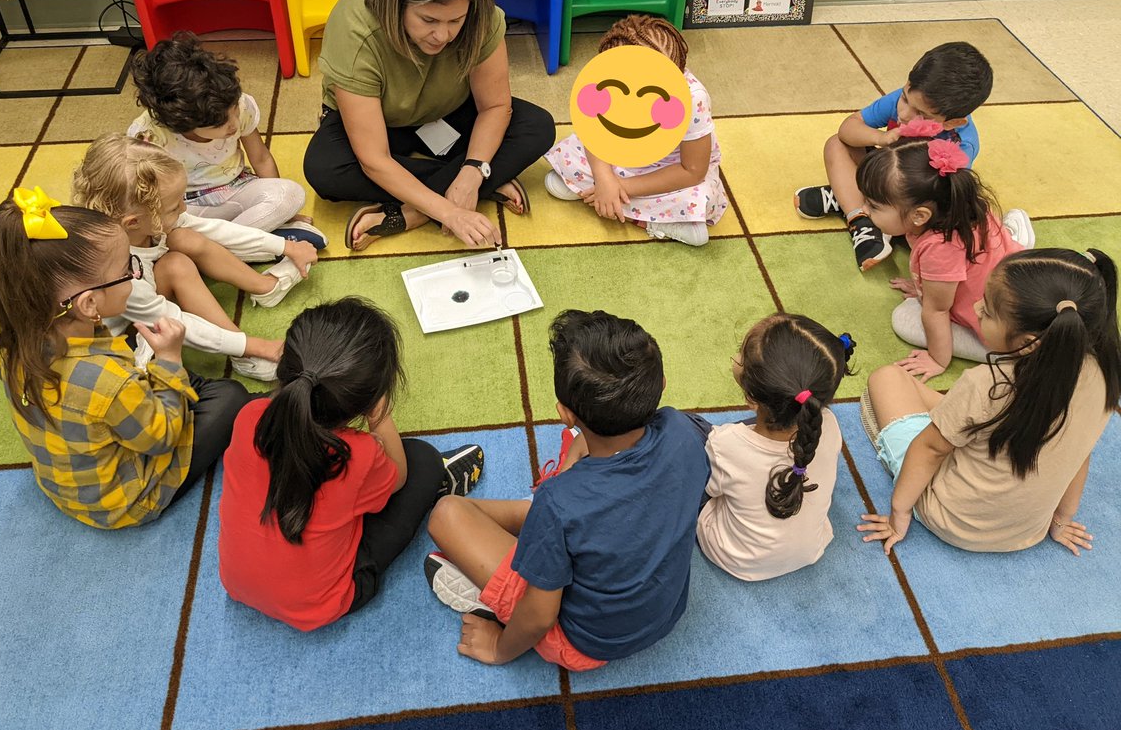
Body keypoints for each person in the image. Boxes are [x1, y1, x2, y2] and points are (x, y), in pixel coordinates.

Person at [424, 310, 710, 671]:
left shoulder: (559, 504)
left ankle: (492, 602)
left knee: (446, 513)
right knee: (566, 480)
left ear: (565, 413)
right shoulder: (685, 432)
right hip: (665, 613)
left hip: (582, 644)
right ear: (662, 384)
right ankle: (546, 536)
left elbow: (540, 616)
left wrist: (499, 648)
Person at [0, 188, 251, 528]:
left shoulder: (17, 340)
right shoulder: (110, 381)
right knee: (231, 397)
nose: (136, 275)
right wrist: (169, 359)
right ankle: (183, 389)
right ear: (89, 304)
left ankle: (175, 389)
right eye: (128, 269)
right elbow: (161, 439)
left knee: (139, 341)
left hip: (70, 483)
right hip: (126, 501)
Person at [217, 298, 485, 630]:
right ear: (368, 398)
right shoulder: (358, 455)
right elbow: (399, 476)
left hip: (237, 582)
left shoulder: (248, 417)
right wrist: (379, 416)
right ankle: (441, 485)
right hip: (322, 605)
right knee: (422, 461)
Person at [302, 0, 555, 251]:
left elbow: (495, 106)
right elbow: (374, 158)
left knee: (537, 127)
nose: (443, 36)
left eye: (455, 21)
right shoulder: (356, 25)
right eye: (429, 20)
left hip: (446, 114)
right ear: (398, 2)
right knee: (324, 170)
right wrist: (450, 211)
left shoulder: (482, 17)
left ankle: (412, 212)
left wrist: (472, 173)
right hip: (380, 121)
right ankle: (479, 185)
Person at [858, 248, 1120, 555]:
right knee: (957, 411)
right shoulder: (1104, 376)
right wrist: (1061, 519)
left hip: (950, 517)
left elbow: (929, 450)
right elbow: (1081, 453)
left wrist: (899, 513)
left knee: (886, 378)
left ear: (1027, 344)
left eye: (989, 312)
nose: (977, 307)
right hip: (1027, 531)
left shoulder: (987, 385)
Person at [73, 134, 317, 380]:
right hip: (120, 348)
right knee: (177, 264)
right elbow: (177, 321)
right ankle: (244, 355)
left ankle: (266, 288)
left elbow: (216, 229)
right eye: (173, 207)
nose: (184, 208)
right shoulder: (120, 274)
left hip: (143, 306)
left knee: (181, 245)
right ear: (133, 222)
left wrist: (284, 247)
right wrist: (255, 345)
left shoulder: (135, 225)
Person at [794, 42, 994, 271]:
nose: (904, 114)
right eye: (906, 98)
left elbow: (946, 202)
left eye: (921, 114)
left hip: (917, 203)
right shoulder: (902, 100)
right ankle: (861, 220)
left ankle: (852, 198)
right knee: (836, 144)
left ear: (951, 122)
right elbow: (848, 128)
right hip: (890, 174)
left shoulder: (961, 145)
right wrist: (880, 139)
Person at [856, 138, 1033, 381]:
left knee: (904, 320)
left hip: (1004, 330)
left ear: (920, 215)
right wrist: (925, 283)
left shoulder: (940, 247)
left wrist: (938, 359)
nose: (863, 209)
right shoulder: (963, 207)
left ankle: (1010, 356)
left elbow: (938, 310)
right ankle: (1017, 239)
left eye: (873, 206)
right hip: (1010, 278)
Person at [129, 31, 326, 249]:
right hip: (186, 206)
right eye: (220, 124)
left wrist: (287, 214)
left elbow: (260, 158)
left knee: (290, 194)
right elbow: (146, 198)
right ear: (183, 123)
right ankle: (260, 243)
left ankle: (218, 251)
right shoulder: (148, 135)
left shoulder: (239, 105)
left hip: (236, 189)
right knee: (164, 233)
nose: (233, 124)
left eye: (234, 111)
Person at [543, 16, 728, 247]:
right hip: (617, 158)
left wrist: (619, 188)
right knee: (562, 168)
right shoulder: (607, 82)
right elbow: (593, 133)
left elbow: (692, 171)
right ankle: (613, 200)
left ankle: (636, 213)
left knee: (701, 197)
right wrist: (603, 178)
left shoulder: (691, 99)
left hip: (668, 169)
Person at [698, 315, 852, 580]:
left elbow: (708, 488)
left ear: (750, 396)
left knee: (691, 436)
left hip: (736, 558)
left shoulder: (726, 444)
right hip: (813, 548)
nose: (737, 358)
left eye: (740, 355)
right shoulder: (828, 424)